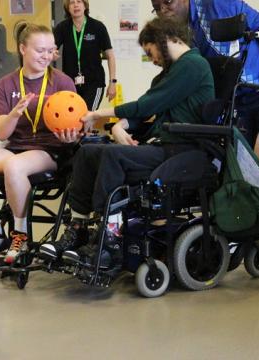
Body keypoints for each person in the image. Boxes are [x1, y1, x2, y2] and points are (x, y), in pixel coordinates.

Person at [39, 17, 214, 265]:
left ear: (163, 39)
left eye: (150, 51)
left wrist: (99, 114)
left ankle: (107, 237)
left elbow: (149, 104)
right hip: (157, 144)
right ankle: (77, 228)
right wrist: (120, 125)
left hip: (180, 149)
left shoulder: (194, 65)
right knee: (88, 152)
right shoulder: (166, 75)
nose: (151, 58)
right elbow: (144, 112)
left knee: (113, 155)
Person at [151, 0, 259, 261]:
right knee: (234, 164)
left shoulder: (216, 3)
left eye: (167, 1)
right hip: (237, 99)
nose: (164, 9)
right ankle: (240, 227)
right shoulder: (183, 32)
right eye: (157, 6)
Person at [0, 23, 76, 263]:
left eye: (50, 50)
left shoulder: (62, 82)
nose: (46, 56)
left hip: (48, 151)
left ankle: (20, 234)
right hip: (15, 148)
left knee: (15, 167)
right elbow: (3, 134)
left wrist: (72, 135)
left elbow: (75, 126)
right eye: (40, 50)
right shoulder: (7, 84)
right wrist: (15, 113)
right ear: (23, 49)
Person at [53, 0, 117, 111]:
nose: (76, 5)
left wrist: (112, 83)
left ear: (85, 5)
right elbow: (51, 49)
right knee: (71, 117)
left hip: (94, 83)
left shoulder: (98, 27)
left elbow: (110, 56)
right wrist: (51, 54)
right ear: (67, 7)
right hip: (70, 84)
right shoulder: (62, 27)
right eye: (72, 2)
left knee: (87, 116)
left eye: (79, 1)